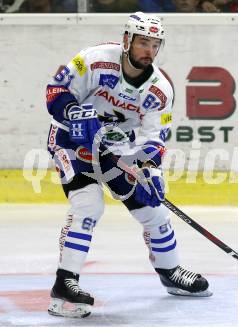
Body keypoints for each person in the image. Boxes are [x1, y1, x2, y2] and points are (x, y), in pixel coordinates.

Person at [45, 12, 211, 318]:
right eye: (143, 42)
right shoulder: (94, 59)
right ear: (127, 40)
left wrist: (150, 169)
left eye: (155, 44)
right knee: (88, 205)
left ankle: (170, 271)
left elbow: (154, 138)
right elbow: (55, 91)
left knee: (154, 210)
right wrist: (74, 113)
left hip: (117, 150)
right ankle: (64, 282)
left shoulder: (160, 89)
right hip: (72, 142)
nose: (149, 50)